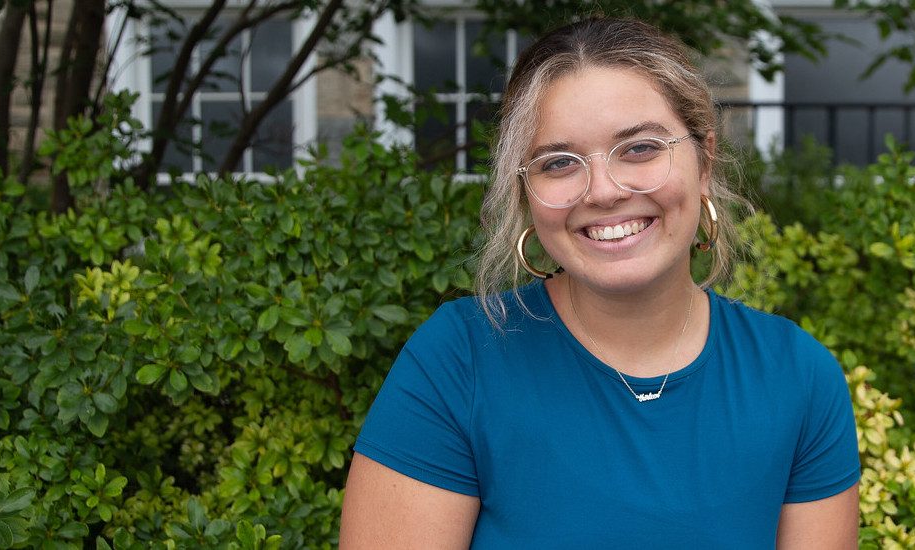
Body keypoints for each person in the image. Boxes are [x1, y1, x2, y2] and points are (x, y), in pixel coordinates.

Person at [339, 17, 860, 548]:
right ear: (525, 192)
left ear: (703, 160)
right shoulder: (459, 360)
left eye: (639, 148)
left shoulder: (798, 376)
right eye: (559, 162)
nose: (604, 191)